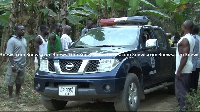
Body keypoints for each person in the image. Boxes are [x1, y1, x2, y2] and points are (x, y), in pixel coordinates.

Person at [175, 20, 195, 111]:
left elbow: (184, 56)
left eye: (183, 26)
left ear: (185, 27)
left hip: (183, 69)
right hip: (187, 68)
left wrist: (179, 70)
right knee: (184, 91)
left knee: (181, 93)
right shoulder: (191, 38)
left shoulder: (185, 40)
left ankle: (183, 109)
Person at [4, 25, 27, 100]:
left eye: (23, 30)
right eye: (21, 30)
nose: (23, 31)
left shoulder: (24, 40)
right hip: (14, 63)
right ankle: (10, 96)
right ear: (17, 31)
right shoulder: (12, 40)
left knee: (19, 80)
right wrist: (12, 65)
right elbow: (9, 54)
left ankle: (17, 94)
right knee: (11, 80)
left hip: (22, 64)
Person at [190, 25, 200, 93]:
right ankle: (194, 92)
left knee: (191, 80)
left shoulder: (192, 39)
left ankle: (191, 93)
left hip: (192, 62)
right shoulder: (199, 38)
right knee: (195, 79)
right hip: (198, 63)